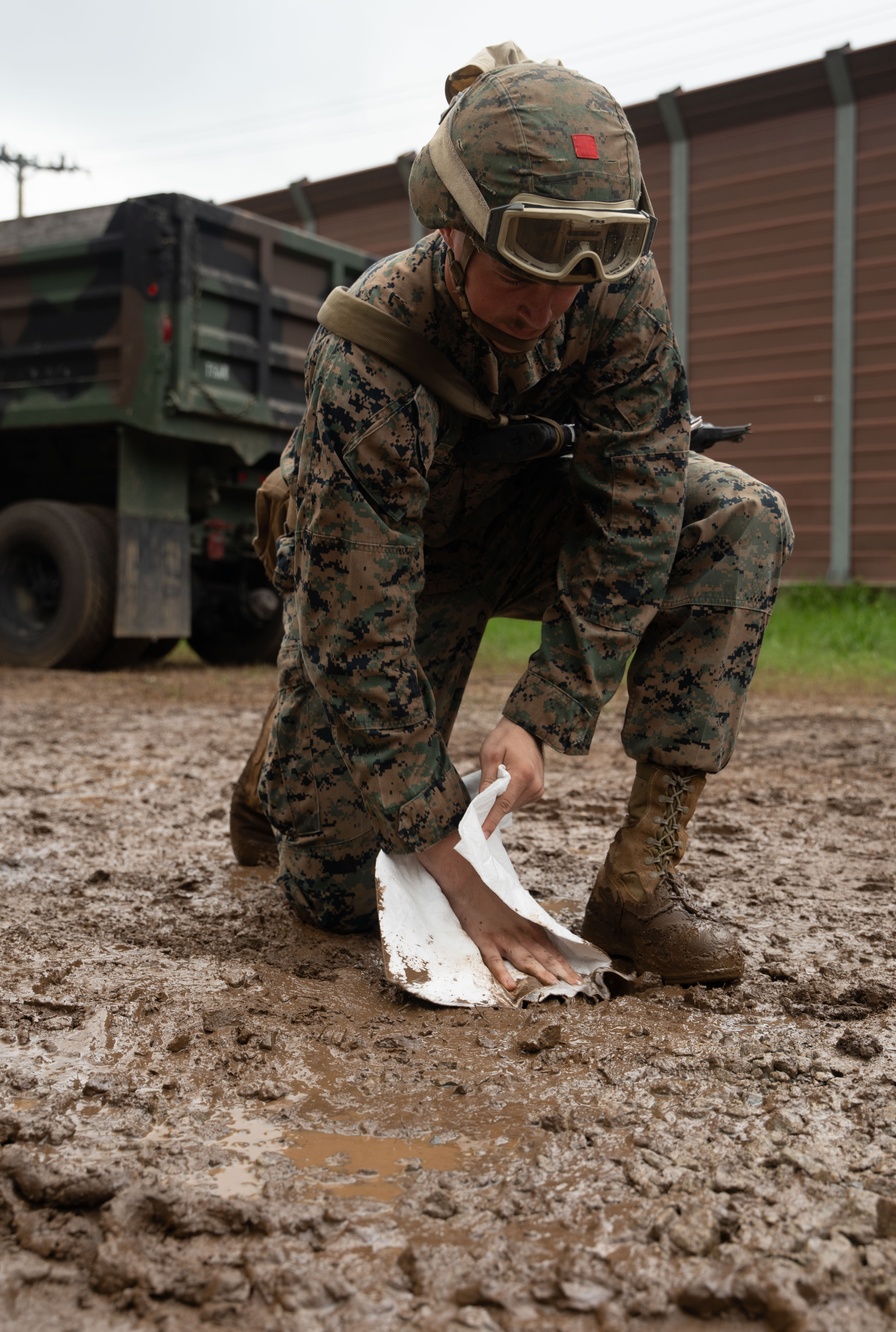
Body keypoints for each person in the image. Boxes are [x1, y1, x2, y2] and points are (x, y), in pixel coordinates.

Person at [229, 44, 794, 996]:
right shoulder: (369, 350)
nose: (547, 307)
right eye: (519, 273)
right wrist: (459, 871)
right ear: (452, 230)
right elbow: (358, 626)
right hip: (405, 572)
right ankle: (278, 762)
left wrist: (545, 712)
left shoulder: (616, 294)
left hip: (531, 528)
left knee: (740, 517)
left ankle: (639, 882)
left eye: (573, 280)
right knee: (336, 899)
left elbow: (639, 503)